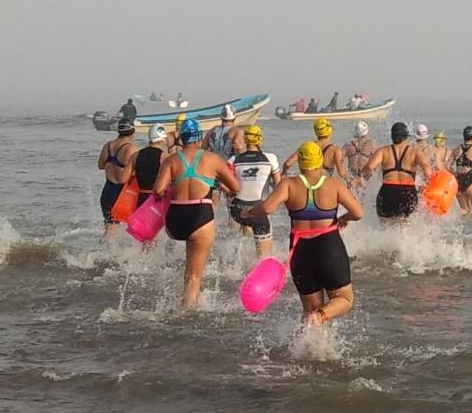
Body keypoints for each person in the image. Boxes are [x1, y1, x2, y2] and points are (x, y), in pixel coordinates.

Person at [246, 141, 363, 325]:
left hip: (300, 252)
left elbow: (267, 207)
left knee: (309, 310)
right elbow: (358, 213)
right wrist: (344, 218)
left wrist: (250, 211)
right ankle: (321, 317)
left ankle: (306, 350)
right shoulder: (334, 184)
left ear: (300, 162)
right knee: (344, 300)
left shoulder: (288, 184)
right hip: (329, 248)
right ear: (320, 160)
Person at [152, 116, 239, 309]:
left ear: (181, 139)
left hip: (175, 219)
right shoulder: (212, 159)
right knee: (194, 277)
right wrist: (215, 181)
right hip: (200, 216)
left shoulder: (172, 160)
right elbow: (235, 187)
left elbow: (157, 190)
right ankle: (187, 316)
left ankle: (180, 304)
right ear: (199, 138)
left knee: (187, 271)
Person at [228, 124, 281, 258]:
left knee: (245, 227)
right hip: (259, 210)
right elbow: (279, 187)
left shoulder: (233, 160)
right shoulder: (271, 158)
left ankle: (236, 264)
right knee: (264, 256)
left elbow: (224, 184)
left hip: (237, 210)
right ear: (260, 140)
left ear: (245, 140)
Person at [365, 122, 432, 221]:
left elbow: (370, 167)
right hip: (407, 191)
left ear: (392, 136)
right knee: (404, 226)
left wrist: (363, 175)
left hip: (387, 190)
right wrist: (428, 184)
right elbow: (427, 168)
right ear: (405, 137)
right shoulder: (415, 152)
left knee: (384, 225)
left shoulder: (383, 151)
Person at [97, 118, 138, 236]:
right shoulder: (131, 149)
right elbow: (136, 172)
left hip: (107, 190)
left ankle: (104, 251)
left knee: (109, 228)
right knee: (133, 226)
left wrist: (113, 165)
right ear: (132, 131)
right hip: (121, 193)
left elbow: (100, 165)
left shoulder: (108, 146)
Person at [284, 118, 349, 180]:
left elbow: (288, 164)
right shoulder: (336, 150)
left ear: (316, 131)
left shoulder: (306, 146)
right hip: (323, 187)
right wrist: (349, 181)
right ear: (330, 131)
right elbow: (342, 173)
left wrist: (283, 174)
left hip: (307, 185)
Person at [130, 124, 170, 209]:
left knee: (141, 222)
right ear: (162, 139)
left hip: (141, 198)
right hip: (157, 199)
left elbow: (122, 178)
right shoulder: (165, 157)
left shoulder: (135, 155)